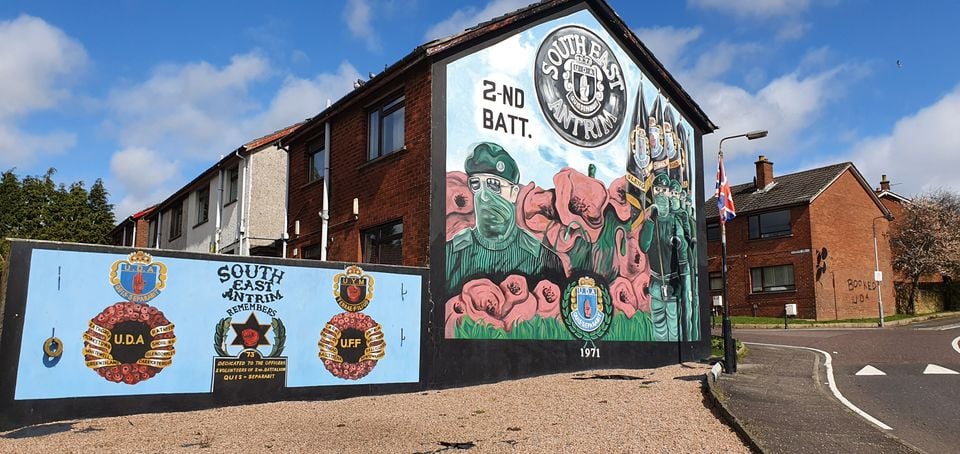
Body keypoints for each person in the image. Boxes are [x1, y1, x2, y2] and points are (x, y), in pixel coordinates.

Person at [445, 142, 563, 295]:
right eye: (476, 184)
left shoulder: (543, 260)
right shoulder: (451, 254)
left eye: (494, 184)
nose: (484, 196)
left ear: (513, 193)